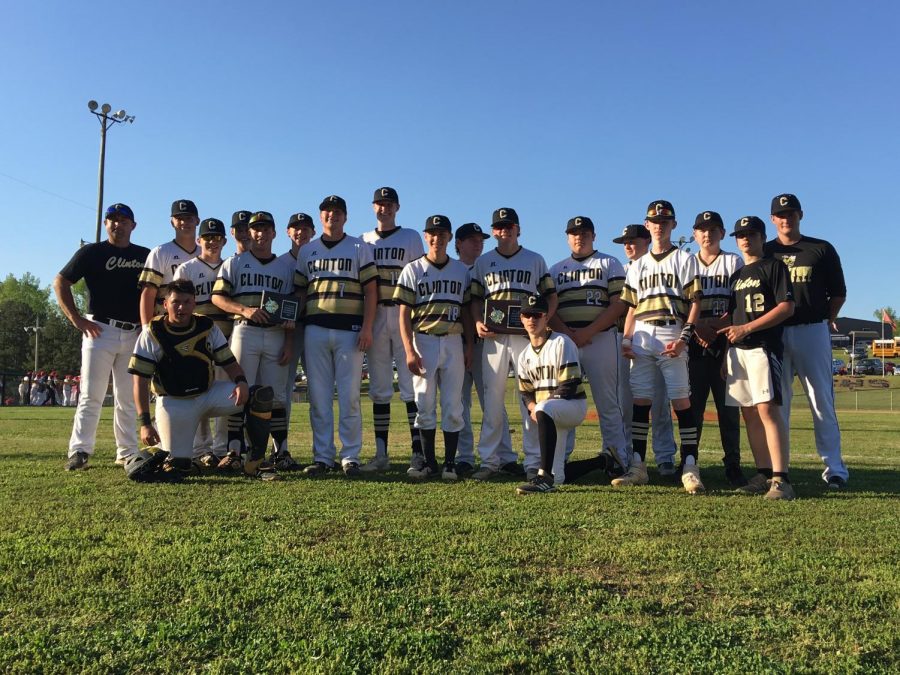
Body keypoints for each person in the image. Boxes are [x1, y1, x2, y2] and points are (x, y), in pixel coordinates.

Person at [128, 279, 278, 481]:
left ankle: (255, 463)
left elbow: (230, 363)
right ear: (165, 304)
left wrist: (241, 381)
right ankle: (167, 453)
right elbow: (140, 381)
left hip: (208, 394)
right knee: (178, 467)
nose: (182, 307)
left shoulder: (206, 326)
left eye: (187, 302)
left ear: (194, 303)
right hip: (174, 402)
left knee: (258, 395)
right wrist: (145, 423)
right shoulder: (152, 332)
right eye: (176, 302)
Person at [616, 200, 705, 494]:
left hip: (671, 329)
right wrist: (626, 339)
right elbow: (631, 307)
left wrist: (684, 338)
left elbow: (695, 302)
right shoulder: (637, 265)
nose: (660, 225)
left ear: (673, 225)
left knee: (681, 401)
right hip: (642, 333)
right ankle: (638, 465)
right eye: (655, 221)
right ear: (647, 225)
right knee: (641, 401)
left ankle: (690, 465)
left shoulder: (684, 259)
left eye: (665, 221)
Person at [54, 203, 150, 470]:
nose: (117, 224)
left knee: (127, 397)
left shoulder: (145, 254)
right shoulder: (92, 252)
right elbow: (60, 281)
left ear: (133, 225)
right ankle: (80, 451)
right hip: (100, 329)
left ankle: (127, 451)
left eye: (123, 220)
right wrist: (76, 318)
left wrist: (148, 323)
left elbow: (157, 291)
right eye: (112, 219)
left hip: (134, 332)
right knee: (91, 394)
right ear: (106, 224)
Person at [764, 193, 849, 489]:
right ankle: (779, 469)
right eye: (781, 215)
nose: (786, 219)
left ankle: (834, 467)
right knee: (778, 404)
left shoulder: (821, 249)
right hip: (775, 332)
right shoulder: (765, 252)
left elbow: (838, 293)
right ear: (773, 219)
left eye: (792, 213)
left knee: (821, 400)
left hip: (812, 329)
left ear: (801, 215)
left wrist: (825, 318)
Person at [469, 207, 557, 481]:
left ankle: (533, 461)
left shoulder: (534, 259)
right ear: (493, 231)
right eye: (499, 227)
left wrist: (544, 322)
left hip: (524, 337)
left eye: (509, 226)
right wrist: (476, 322)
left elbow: (551, 296)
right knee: (492, 400)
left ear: (518, 229)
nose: (504, 230)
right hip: (494, 338)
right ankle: (490, 460)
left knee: (529, 399)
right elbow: (474, 299)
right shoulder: (483, 262)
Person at [295, 195, 378, 476]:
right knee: (318, 397)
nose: (332, 216)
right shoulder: (308, 251)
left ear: (345, 216)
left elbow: (371, 291)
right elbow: (299, 292)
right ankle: (323, 457)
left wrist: (367, 327)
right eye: (327, 212)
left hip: (350, 331)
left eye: (338, 212)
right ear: (321, 217)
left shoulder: (359, 247)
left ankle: (350, 456)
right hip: (315, 329)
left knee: (350, 396)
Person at [211, 211, 297, 469]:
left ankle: (280, 451)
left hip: (275, 333)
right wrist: (244, 310)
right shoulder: (235, 262)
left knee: (277, 395)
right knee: (239, 391)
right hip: (245, 329)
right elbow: (217, 298)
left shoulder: (285, 266)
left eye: (264, 228)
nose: (260, 233)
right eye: (255, 229)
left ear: (273, 233)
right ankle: (235, 450)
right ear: (249, 233)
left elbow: (291, 308)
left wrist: (290, 342)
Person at [719, 216, 795, 499]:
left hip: (763, 346)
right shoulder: (736, 275)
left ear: (763, 237)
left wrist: (748, 328)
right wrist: (726, 353)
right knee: (748, 412)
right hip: (738, 351)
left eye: (751, 234)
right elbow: (733, 317)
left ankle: (781, 478)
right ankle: (763, 473)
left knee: (767, 410)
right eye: (740, 235)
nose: (745, 239)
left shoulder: (774, 267)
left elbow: (787, 307)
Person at [549, 216, 628, 473]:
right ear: (567, 236)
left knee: (608, 403)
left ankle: (616, 458)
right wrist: (568, 334)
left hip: (601, 338)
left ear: (593, 235)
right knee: (563, 400)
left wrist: (588, 331)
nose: (578, 237)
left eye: (583, 232)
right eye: (573, 233)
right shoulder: (556, 269)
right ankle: (560, 458)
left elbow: (619, 304)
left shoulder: (609, 262)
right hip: (566, 340)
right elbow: (550, 309)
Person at [395, 215, 472, 481]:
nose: (437, 238)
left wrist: (469, 346)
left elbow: (466, 311)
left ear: (449, 238)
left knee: (453, 405)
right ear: (426, 237)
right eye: (432, 233)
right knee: (424, 403)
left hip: (453, 339)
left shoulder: (462, 270)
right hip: (423, 338)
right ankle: (429, 462)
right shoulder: (412, 269)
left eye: (442, 233)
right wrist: (408, 349)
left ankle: (450, 463)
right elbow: (404, 313)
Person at [360, 187, 425, 473]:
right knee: (380, 388)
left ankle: (417, 452)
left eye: (389, 204)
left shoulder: (410, 236)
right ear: (373, 207)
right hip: (375, 314)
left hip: (402, 313)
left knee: (411, 386)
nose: (384, 208)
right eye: (379, 204)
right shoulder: (363, 240)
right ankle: (381, 453)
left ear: (397, 207)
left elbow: (420, 278)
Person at [613, 225, 678, 476]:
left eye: (633, 241)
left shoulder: (661, 266)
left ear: (646, 240)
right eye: (624, 242)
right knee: (628, 403)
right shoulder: (623, 270)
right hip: (628, 339)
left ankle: (664, 457)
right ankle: (631, 456)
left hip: (657, 337)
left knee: (660, 402)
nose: (628, 246)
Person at [688, 211, 747, 487]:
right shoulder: (688, 262)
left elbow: (738, 303)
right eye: (702, 229)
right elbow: (682, 302)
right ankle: (690, 461)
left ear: (722, 233)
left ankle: (732, 463)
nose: (707, 234)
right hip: (695, 343)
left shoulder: (732, 261)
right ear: (695, 234)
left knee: (728, 410)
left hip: (725, 342)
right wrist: (698, 326)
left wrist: (710, 326)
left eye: (713, 229)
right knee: (693, 408)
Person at [455, 222, 513, 477]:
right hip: (453, 341)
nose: (478, 243)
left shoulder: (489, 268)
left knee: (493, 399)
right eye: (471, 239)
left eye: (481, 239)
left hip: (485, 343)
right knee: (458, 402)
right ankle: (464, 456)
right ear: (458, 243)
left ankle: (505, 456)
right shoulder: (452, 268)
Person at [173, 217, 232, 468]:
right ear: (199, 240)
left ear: (224, 241)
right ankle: (201, 449)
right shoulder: (186, 269)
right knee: (197, 393)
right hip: (196, 340)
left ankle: (221, 448)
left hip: (227, 337)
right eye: (208, 237)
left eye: (217, 237)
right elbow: (178, 303)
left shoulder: (230, 266)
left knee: (225, 393)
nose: (212, 242)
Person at [515, 294, 587, 494]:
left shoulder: (561, 342)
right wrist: (532, 407)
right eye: (527, 315)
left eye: (537, 314)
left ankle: (543, 477)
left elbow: (570, 385)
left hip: (572, 406)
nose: (532, 320)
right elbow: (525, 392)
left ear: (546, 317)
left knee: (544, 407)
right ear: (521, 318)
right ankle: (603, 460)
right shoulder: (524, 355)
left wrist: (539, 408)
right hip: (548, 413)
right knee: (560, 477)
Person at [279, 212, 316, 434]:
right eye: (296, 228)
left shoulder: (319, 257)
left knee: (318, 390)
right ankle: (280, 447)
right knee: (283, 389)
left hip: (313, 326)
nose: (300, 232)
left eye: (305, 228)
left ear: (313, 232)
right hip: (286, 330)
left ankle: (321, 451)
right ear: (288, 232)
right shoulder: (280, 262)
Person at [138, 199, 200, 325]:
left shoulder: (204, 253)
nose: (184, 222)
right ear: (172, 222)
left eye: (189, 218)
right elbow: (148, 294)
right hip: (166, 323)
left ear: (197, 221)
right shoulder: (160, 252)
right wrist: (146, 328)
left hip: (199, 323)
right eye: (179, 218)